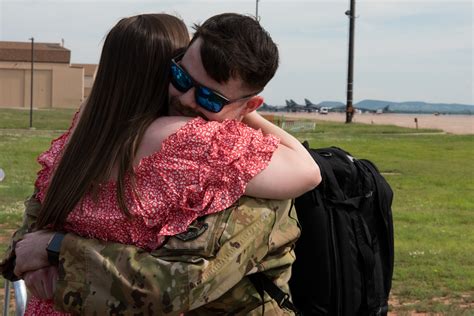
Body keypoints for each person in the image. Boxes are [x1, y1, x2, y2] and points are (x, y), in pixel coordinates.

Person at [1, 13, 321, 315]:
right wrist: (239, 109)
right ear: (165, 69)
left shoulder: (87, 127)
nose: (186, 100)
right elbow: (307, 170)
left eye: (210, 98)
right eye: (180, 77)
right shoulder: (191, 142)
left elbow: (32, 225)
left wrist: (45, 252)